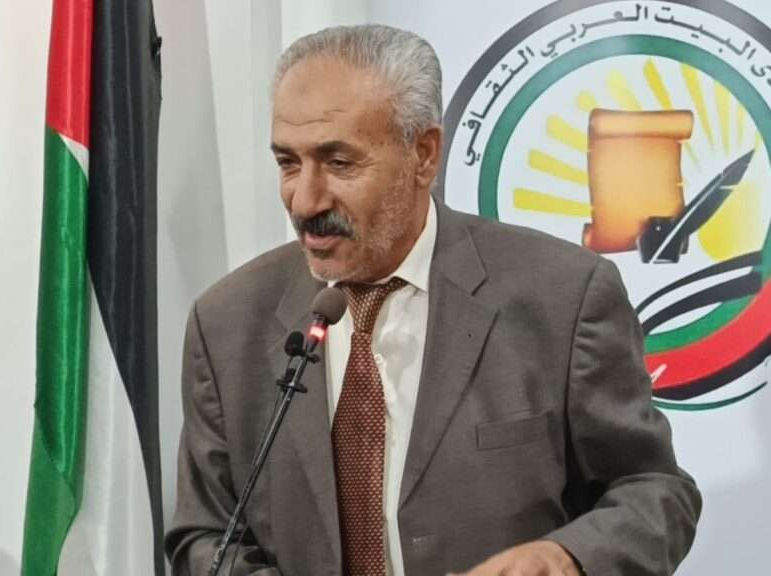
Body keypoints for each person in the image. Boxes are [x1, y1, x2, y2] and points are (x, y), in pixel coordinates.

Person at [165, 24, 701, 576]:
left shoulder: (564, 298)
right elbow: (205, 535)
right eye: (288, 163)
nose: (305, 200)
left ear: (423, 154)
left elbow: (655, 492)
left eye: (339, 163)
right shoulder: (227, 323)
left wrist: (566, 558)